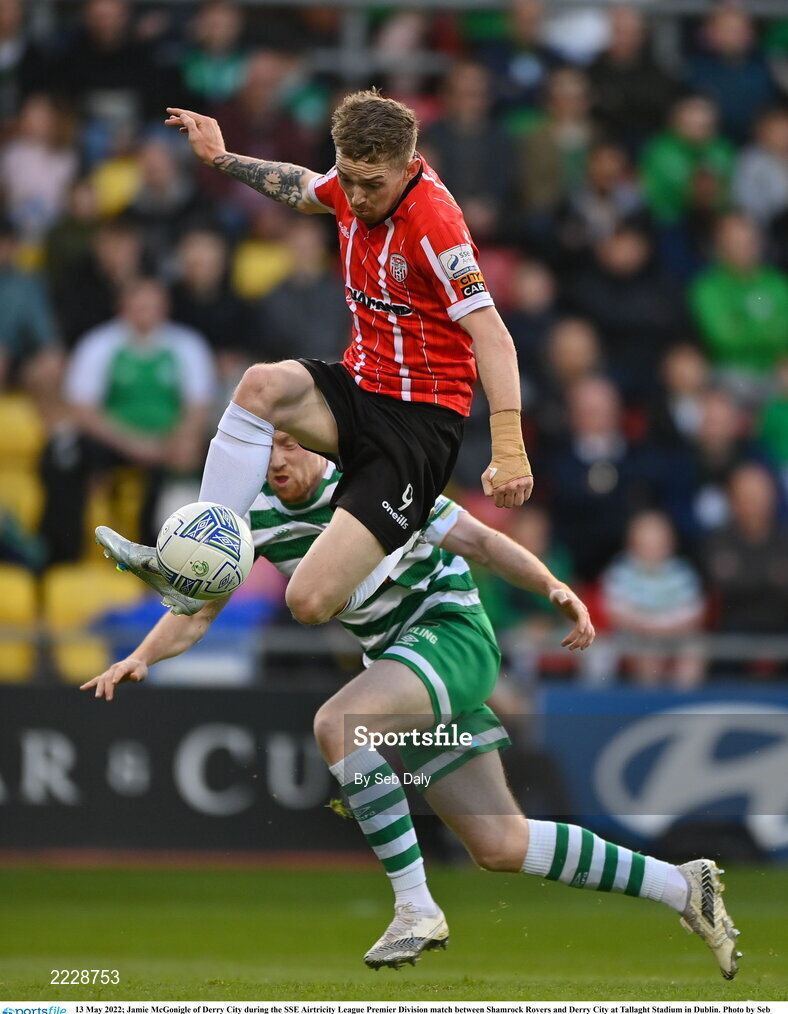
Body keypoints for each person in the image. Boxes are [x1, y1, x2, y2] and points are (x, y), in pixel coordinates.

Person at [83, 432, 740, 979]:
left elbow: (480, 542)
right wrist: (143, 655)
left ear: (317, 440)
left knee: (338, 724)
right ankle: (683, 886)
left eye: (289, 443)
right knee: (500, 844)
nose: (277, 459)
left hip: (450, 636)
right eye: (267, 450)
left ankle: (415, 907)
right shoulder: (254, 518)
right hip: (404, 668)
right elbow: (198, 615)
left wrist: (551, 585)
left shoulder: (380, 484)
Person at [99, 90, 533, 625]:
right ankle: (189, 566)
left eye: (372, 184)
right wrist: (219, 158)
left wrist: (509, 446)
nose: (356, 195)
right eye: (348, 178)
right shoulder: (353, 182)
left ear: (408, 167)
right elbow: (306, 188)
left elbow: (493, 336)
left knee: (306, 603)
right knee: (259, 386)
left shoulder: (436, 228)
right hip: (360, 387)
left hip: (418, 424)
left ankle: (406, 548)